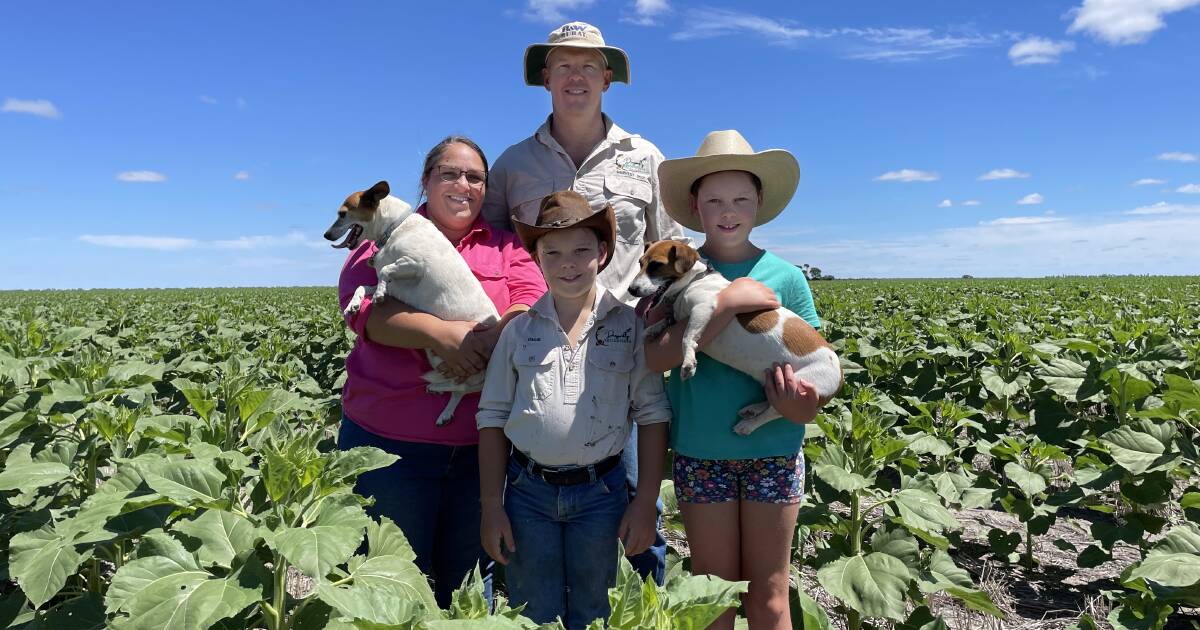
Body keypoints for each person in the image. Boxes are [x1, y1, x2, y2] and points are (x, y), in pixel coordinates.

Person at [481, 20, 685, 583]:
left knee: (639, 528)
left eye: (589, 66)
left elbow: (671, 253)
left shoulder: (645, 157)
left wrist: (667, 330)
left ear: (608, 79)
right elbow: (492, 252)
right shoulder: (513, 164)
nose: (576, 76)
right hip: (542, 352)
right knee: (537, 532)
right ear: (545, 78)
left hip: (627, 358)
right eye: (564, 66)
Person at [336, 136, 547, 607]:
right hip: (388, 446)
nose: (462, 184)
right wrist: (442, 335)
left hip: (480, 452)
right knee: (386, 586)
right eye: (449, 173)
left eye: (475, 177)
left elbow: (529, 301)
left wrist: (482, 344)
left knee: (468, 586)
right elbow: (364, 313)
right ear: (426, 183)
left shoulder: (505, 246)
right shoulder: (383, 233)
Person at [643, 130, 826, 630]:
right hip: (701, 452)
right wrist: (725, 304)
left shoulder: (786, 277)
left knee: (770, 597)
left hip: (774, 449)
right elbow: (655, 357)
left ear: (759, 203)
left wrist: (795, 404)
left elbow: (812, 389)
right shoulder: (671, 273)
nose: (729, 211)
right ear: (694, 207)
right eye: (715, 200)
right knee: (714, 594)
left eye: (741, 199)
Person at [476, 190, 671, 629]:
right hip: (527, 493)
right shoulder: (518, 331)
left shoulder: (629, 326)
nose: (568, 262)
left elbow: (652, 413)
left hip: (601, 494)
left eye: (582, 249)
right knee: (533, 608)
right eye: (554, 252)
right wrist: (492, 504)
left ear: (602, 254)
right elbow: (491, 419)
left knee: (596, 608)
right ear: (537, 259)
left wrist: (645, 502)